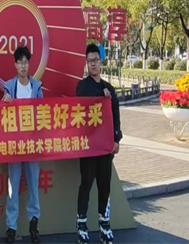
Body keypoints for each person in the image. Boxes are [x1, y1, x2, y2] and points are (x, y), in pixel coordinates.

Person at [75, 44, 122, 244]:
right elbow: (82, 106)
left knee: (104, 186)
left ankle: (104, 224)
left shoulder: (109, 89)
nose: (93, 64)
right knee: (86, 184)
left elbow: (115, 116)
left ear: (101, 62)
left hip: (105, 148)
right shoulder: (82, 86)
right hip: (88, 147)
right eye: (89, 61)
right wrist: (100, 98)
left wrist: (116, 139)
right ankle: (81, 225)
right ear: (86, 63)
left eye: (95, 60)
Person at [2, 46, 43, 244]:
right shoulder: (9, 87)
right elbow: (0, 115)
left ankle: (34, 224)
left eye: (26, 62)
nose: (23, 66)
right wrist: (4, 101)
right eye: (20, 62)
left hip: (33, 145)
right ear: (15, 65)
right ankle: (11, 226)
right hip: (14, 145)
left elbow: (43, 113)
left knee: (33, 186)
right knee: (13, 187)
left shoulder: (37, 87)